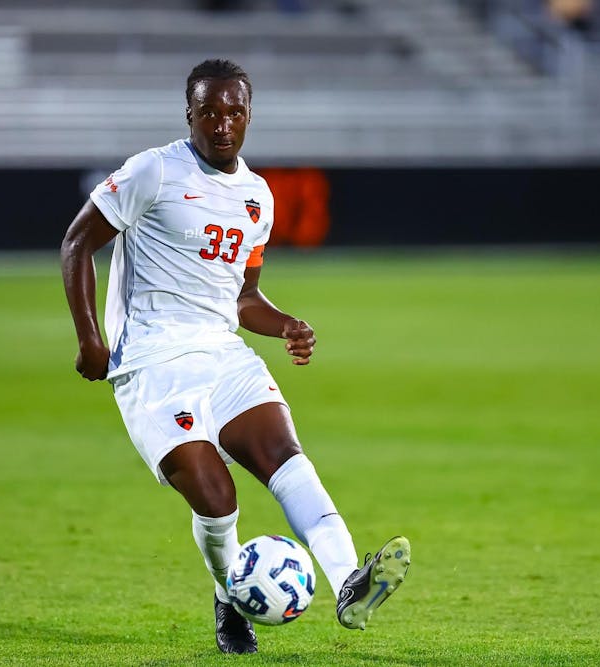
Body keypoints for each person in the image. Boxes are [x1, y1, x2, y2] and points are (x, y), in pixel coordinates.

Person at [60, 59, 410, 654]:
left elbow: (242, 298)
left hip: (223, 354)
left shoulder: (257, 195)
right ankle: (228, 598)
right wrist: (89, 337)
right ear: (190, 114)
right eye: (210, 112)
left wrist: (287, 326)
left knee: (285, 456)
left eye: (235, 111)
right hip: (152, 365)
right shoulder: (155, 171)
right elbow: (77, 242)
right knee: (217, 499)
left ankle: (350, 580)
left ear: (249, 115)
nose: (223, 124)